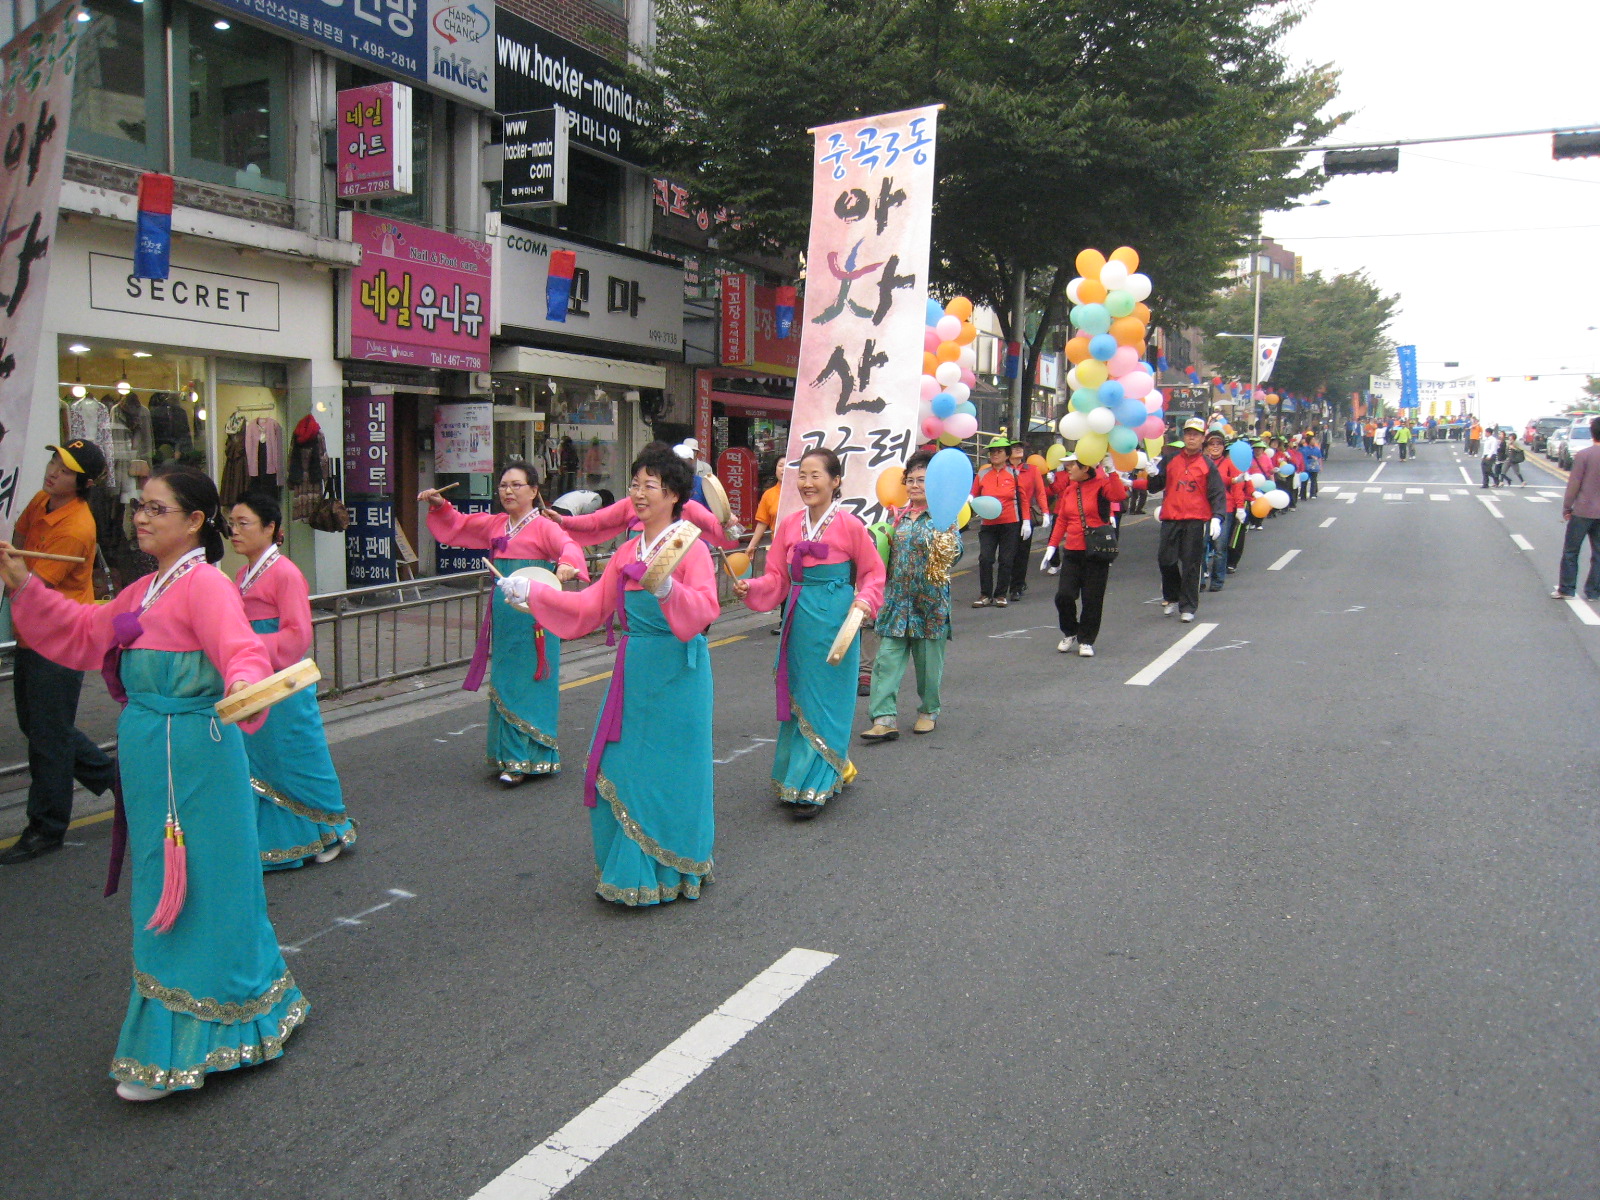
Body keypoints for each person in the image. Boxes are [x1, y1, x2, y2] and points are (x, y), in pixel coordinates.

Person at [0, 465, 301, 1101]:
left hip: (197, 755)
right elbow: (85, 632)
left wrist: (243, 682)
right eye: (140, 505)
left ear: (194, 522)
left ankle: (210, 1025)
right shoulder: (144, 591)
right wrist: (24, 582)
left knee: (206, 884)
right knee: (163, 882)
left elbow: (242, 650)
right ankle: (197, 1014)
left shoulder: (206, 586)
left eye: (157, 508)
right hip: (147, 756)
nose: (141, 516)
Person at [509, 445, 720, 906]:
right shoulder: (627, 550)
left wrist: (669, 590)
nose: (638, 494)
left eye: (650, 485)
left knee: (672, 772)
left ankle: (671, 868)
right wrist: (535, 595)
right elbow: (589, 607)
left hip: (679, 673)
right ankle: (630, 868)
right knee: (619, 765)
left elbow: (706, 609)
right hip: (634, 670)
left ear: (674, 494)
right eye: (634, 484)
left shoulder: (692, 548)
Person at [733, 449, 885, 817]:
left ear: (835, 481)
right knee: (801, 696)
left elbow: (873, 572)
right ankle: (800, 776)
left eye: (816, 475)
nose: (807, 483)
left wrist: (864, 601)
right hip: (798, 621)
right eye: (802, 476)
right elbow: (776, 578)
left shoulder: (850, 525)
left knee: (829, 701)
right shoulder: (788, 525)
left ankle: (818, 782)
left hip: (837, 624)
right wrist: (751, 587)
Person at [422, 464, 587, 785]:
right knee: (506, 679)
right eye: (503, 486)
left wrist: (567, 564)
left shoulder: (544, 526)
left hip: (535, 615)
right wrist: (441, 505)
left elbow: (569, 546)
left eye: (516, 485)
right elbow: (460, 524)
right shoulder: (497, 524)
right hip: (506, 614)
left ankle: (528, 758)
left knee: (533, 679)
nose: (508, 491)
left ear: (534, 490)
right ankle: (508, 756)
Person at [0, 440, 121, 866]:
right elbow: (19, 535)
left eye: (66, 470)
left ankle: (46, 827)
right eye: (55, 461)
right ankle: (117, 779)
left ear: (83, 483)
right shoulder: (42, 499)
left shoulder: (77, 527)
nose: (54, 471)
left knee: (48, 737)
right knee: (40, 726)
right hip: (33, 634)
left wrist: (11, 569)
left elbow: (31, 588)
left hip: (62, 638)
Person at [228, 493, 356, 869]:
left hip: (282, 683)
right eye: (231, 524)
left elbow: (297, 636)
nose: (234, 531)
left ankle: (331, 828)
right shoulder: (241, 575)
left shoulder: (285, 573)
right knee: (263, 761)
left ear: (270, 528)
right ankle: (276, 840)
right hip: (254, 679)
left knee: (301, 758)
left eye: (243, 523)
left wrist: (248, 647)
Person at [860, 451, 956, 739]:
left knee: (928, 668)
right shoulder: (896, 517)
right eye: (910, 480)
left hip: (930, 606)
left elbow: (956, 554)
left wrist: (945, 543)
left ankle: (928, 711)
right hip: (896, 604)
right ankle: (883, 718)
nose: (914, 485)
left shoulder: (943, 517)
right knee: (885, 663)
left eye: (922, 480)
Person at [1043, 453, 1126, 656]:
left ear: (1085, 468)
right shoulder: (1070, 490)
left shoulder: (1101, 485)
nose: (1068, 469)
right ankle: (1070, 631)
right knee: (1064, 595)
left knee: (1092, 598)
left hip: (1095, 551)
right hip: (1072, 550)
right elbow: (1062, 520)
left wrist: (1112, 471)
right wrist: (1052, 546)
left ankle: (1086, 640)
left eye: (1072, 465)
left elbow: (1118, 495)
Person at [1148, 418, 1226, 622]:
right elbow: (1155, 487)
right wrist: (1152, 473)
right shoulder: (1170, 459)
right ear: (1184, 436)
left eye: (1196, 434)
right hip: (1171, 518)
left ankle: (1188, 606)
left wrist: (1217, 518)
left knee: (1191, 564)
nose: (1192, 437)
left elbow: (1217, 493)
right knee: (1166, 560)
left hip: (1195, 520)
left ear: (1202, 439)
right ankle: (1171, 596)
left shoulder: (1207, 464)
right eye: (1188, 433)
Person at [969, 436, 1026, 608]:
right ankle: (985, 594)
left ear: (1007, 455)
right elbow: (974, 494)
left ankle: (1001, 594)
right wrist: (970, 500)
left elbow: (1023, 499)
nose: (994, 454)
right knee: (985, 558)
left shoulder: (1014, 474)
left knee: (1006, 560)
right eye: (992, 451)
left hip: (1010, 523)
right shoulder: (982, 474)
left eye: (999, 451)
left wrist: (1026, 521)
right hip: (988, 524)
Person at [1553, 415, 1600, 601]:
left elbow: (1574, 484)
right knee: (1598, 553)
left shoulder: (1583, 455)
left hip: (1582, 510)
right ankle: (1594, 591)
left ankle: (1567, 589)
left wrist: (1567, 507)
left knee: (1571, 551)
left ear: (1592, 433)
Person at [1006, 442, 1048, 600]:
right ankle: (1004, 585)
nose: (1018, 449)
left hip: (1025, 514)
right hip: (1007, 514)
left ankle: (1017, 586)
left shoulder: (1032, 470)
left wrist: (1045, 512)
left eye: (1020, 447)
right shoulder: (1003, 469)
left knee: (1022, 552)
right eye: (1014, 447)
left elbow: (1040, 492)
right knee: (1007, 553)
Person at [1200, 431, 1241, 591]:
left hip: (1225, 509)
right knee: (1200, 546)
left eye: (1219, 443)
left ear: (1224, 447)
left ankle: (1217, 581)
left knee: (1219, 547)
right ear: (1207, 446)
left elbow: (1237, 486)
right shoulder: (1202, 461)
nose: (1215, 446)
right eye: (1212, 443)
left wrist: (1240, 507)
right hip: (1204, 508)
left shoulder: (1230, 464)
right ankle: (1200, 579)